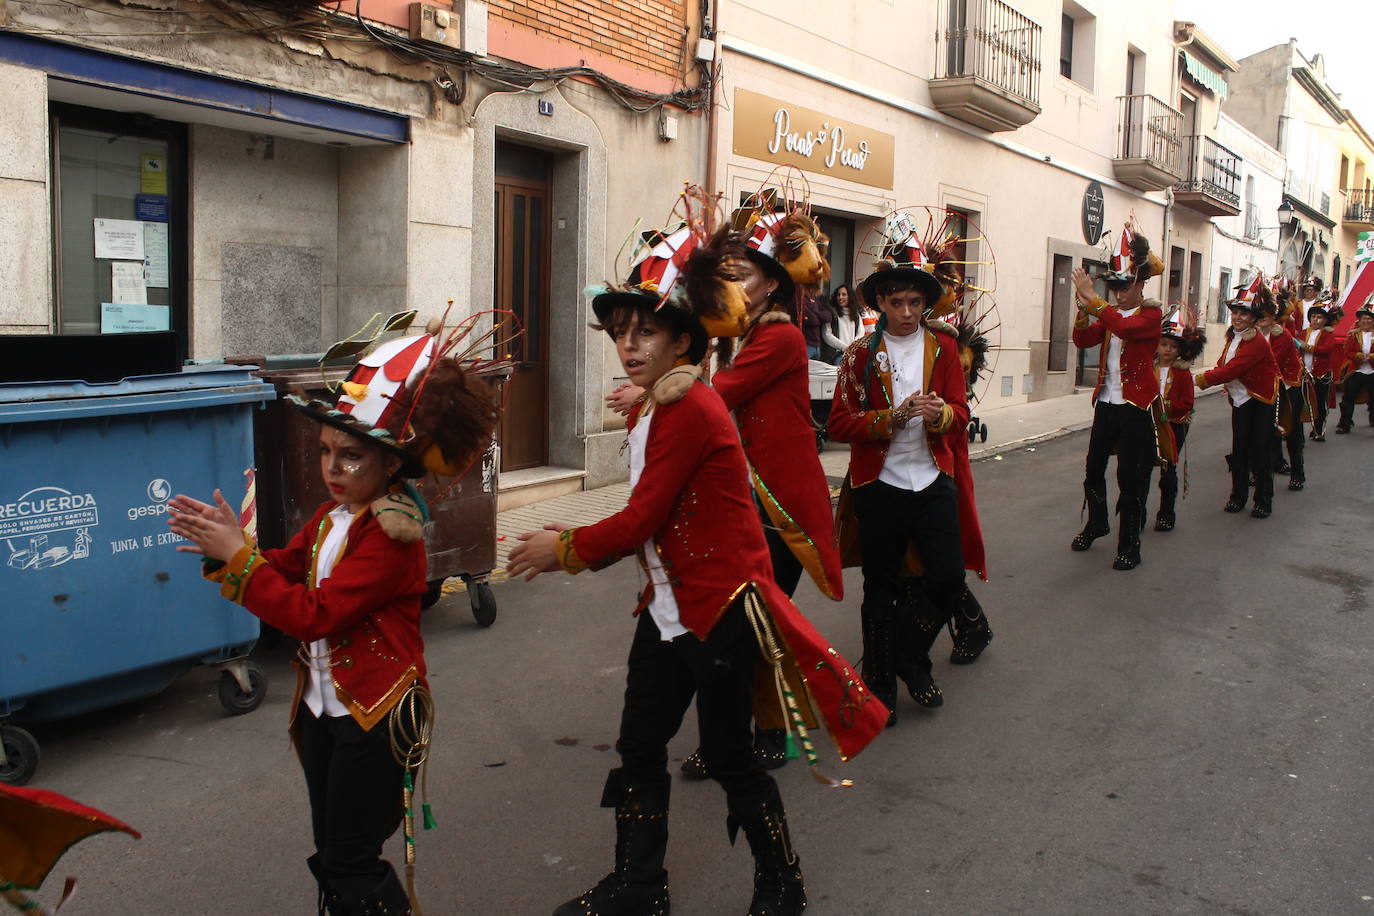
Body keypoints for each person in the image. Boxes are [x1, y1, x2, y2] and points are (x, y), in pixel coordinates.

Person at [507, 216, 887, 916]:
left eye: (644, 331)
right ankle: (639, 887)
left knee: (730, 754)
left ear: (684, 340)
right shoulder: (656, 408)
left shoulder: (690, 408)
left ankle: (782, 881)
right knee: (640, 743)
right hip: (668, 609)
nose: (627, 346)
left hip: (720, 614)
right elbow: (651, 521)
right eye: (620, 332)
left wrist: (561, 549)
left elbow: (640, 518)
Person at [167, 318, 500, 916]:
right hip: (324, 711)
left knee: (349, 860)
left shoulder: (392, 538)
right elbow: (285, 566)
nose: (333, 468)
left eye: (351, 456)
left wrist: (238, 561)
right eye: (325, 452)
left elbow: (313, 614)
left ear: (393, 465)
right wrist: (226, 550)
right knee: (336, 852)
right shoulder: (331, 519)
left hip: (376, 719)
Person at [827, 240, 986, 721]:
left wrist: (941, 415)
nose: (907, 312)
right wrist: (888, 419)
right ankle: (877, 690)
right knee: (880, 588)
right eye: (896, 302)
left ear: (926, 303)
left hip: (933, 478)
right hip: (880, 484)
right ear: (879, 303)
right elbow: (837, 424)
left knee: (946, 578)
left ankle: (911, 662)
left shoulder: (946, 347)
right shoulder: (858, 355)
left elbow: (962, 413)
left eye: (915, 302)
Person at [1068, 223, 1165, 571]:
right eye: (1115, 287)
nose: (1119, 293)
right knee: (1093, 467)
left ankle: (1130, 544)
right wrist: (1083, 310)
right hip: (1107, 404)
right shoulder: (1109, 313)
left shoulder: (1151, 315)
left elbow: (1125, 328)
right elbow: (1083, 341)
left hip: (1136, 406)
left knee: (1131, 477)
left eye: (1125, 286)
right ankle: (1097, 522)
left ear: (1140, 284)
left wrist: (1093, 301)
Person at [1195, 283, 1280, 518]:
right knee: (1240, 448)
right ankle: (1238, 496)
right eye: (1235, 312)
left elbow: (1232, 369)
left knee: (1261, 450)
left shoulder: (1258, 342)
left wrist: (1199, 379)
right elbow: (1225, 364)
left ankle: (1263, 500)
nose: (1238, 317)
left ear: (1253, 317)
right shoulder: (1233, 336)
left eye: (1243, 313)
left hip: (1261, 399)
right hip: (1241, 399)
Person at [1148, 313, 1203, 531]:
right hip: (1148, 424)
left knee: (1168, 469)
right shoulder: (1148, 368)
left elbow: (1187, 402)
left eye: (1172, 346)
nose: (1167, 350)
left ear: (1180, 350)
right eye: (1163, 344)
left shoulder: (1182, 373)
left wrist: (1165, 407)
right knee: (1142, 469)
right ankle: (1138, 512)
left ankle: (1166, 513)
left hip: (1173, 425)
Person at [1261, 291, 1307, 490]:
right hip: (1269, 386)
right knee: (1267, 430)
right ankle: (1270, 468)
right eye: (1258, 314)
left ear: (1274, 316)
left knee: (1292, 430)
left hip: (1289, 385)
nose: (1261, 318)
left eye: (1265, 315)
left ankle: (1298, 473)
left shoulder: (1281, 335)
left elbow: (1271, 361)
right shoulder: (1250, 334)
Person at [1298, 301, 1340, 441]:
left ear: (1325, 320)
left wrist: (1307, 347)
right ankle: (1294, 431)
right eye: (1313, 316)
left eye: (1319, 317)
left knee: (1320, 403)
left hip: (1321, 374)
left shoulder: (1327, 334)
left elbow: (1326, 349)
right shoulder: (1304, 333)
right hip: (1303, 374)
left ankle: (1318, 430)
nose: (1315, 320)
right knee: (1299, 402)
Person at [1335, 303, 1374, 434]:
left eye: (1369, 318)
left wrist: (1371, 357)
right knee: (1348, 397)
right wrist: (1357, 356)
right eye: (1364, 318)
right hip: (1356, 370)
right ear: (1360, 320)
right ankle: (1344, 424)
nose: (1366, 321)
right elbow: (1347, 351)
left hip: (1372, 371)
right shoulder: (1353, 335)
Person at [824, 283, 873, 363]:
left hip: (853, 354)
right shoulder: (831, 313)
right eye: (838, 295)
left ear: (850, 297)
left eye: (844, 294)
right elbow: (827, 335)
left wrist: (852, 348)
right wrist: (845, 348)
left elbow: (861, 332)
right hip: (836, 355)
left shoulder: (856, 314)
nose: (840, 297)